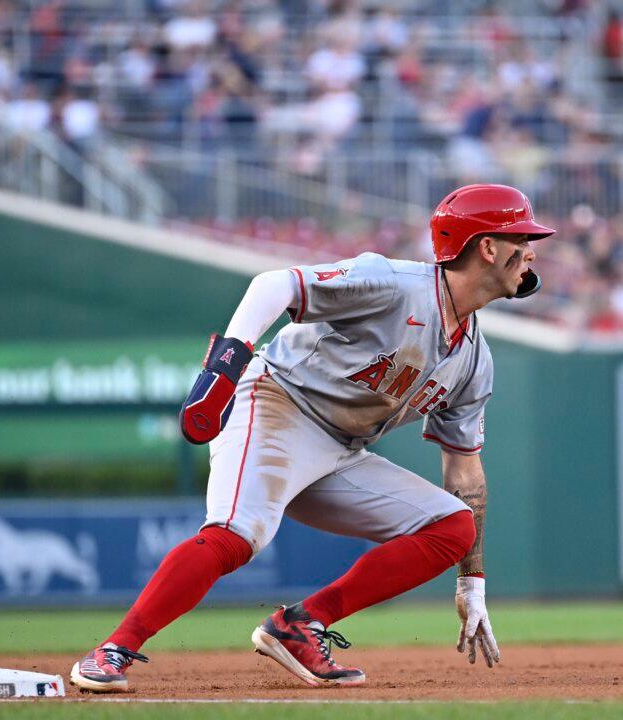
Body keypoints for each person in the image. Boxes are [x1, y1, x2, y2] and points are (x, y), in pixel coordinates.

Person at [70, 184, 554, 691]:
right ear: (488, 247)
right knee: (237, 534)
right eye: (521, 236)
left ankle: (300, 625)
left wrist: (471, 581)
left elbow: (465, 472)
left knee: (452, 527)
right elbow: (273, 285)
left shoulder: (475, 360)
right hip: (278, 403)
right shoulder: (395, 284)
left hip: (341, 450)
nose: (532, 250)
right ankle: (114, 649)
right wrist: (226, 365)